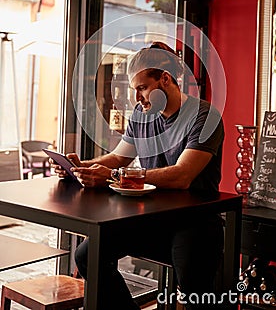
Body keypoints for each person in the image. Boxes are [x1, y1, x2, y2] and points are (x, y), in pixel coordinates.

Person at [52, 41, 225, 309]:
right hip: (150, 218)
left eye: (142, 88)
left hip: (193, 222)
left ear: (165, 79)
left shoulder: (204, 116)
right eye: (135, 90)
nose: (137, 98)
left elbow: (182, 176)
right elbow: (119, 157)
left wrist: (113, 175)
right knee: (88, 255)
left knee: (194, 292)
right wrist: (79, 166)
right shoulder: (142, 114)